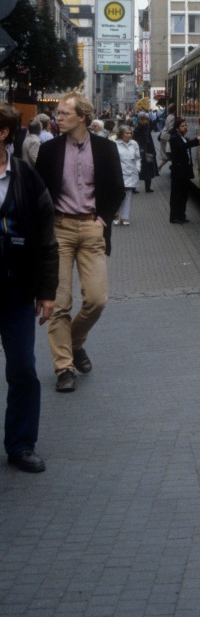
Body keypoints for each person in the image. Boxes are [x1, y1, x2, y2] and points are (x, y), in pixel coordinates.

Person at [35, 92, 124, 394]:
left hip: (91, 228)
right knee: (59, 304)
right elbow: (39, 194)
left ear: (81, 117)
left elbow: (117, 189)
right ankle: (64, 367)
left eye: (63, 113)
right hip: (58, 230)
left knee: (96, 299)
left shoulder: (106, 148)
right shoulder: (48, 150)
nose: (57, 118)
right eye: (57, 113)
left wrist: (102, 220)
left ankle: (73, 342)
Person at [0, 104, 58, 473]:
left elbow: (47, 238)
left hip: (16, 291)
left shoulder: (25, 176)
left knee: (22, 368)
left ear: (3, 133)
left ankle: (21, 445)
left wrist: (47, 291)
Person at [169, 117, 200, 224]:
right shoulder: (174, 138)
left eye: (185, 125)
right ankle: (174, 217)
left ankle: (182, 215)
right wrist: (197, 139)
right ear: (177, 128)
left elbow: (187, 145)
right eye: (182, 126)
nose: (185, 128)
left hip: (186, 171)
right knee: (176, 195)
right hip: (178, 172)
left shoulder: (184, 138)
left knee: (184, 195)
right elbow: (183, 147)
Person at [114, 125, 141, 225]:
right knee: (118, 196)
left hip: (131, 173)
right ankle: (116, 214)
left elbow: (138, 158)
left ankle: (125, 217)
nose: (129, 135)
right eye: (127, 133)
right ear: (121, 134)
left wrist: (138, 168)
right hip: (119, 173)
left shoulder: (134, 143)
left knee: (128, 196)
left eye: (130, 133)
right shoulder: (115, 144)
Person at [133, 113, 157, 192]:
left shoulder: (137, 128)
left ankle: (133, 188)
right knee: (148, 169)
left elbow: (134, 139)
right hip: (147, 150)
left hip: (139, 149)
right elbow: (149, 140)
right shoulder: (147, 127)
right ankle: (147, 188)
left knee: (136, 169)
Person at [158, 104, 176, 171]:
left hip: (163, 136)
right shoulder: (173, 117)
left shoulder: (169, 116)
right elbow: (170, 128)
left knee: (166, 155)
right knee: (168, 155)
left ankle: (159, 167)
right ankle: (158, 167)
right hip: (167, 137)